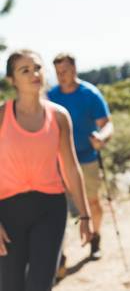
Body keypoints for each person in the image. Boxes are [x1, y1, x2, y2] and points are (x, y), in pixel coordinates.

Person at [0, 50, 93, 291]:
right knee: (10, 285)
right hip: (7, 212)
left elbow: (71, 167)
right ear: (12, 80)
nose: (35, 74)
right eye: (25, 70)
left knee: (40, 285)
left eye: (38, 68)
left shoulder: (59, 116)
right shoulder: (1, 116)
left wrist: (85, 214)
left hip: (50, 209)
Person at [48, 53, 113, 262]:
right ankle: (60, 256)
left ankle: (95, 239)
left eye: (65, 71)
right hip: (58, 162)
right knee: (58, 210)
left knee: (92, 202)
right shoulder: (51, 96)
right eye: (58, 73)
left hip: (87, 158)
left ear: (74, 69)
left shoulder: (90, 94)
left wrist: (101, 137)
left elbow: (107, 123)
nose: (61, 76)